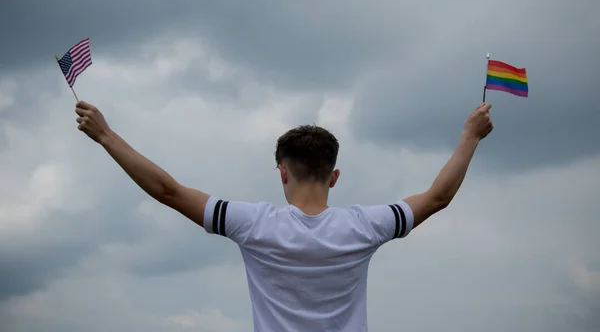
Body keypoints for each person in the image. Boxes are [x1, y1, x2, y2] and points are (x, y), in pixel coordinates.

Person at [75, 101, 493, 331]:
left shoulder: (253, 224)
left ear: (282, 171)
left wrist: (106, 136)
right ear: (335, 176)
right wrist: (470, 135)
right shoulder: (366, 226)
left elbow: (167, 190)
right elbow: (438, 197)